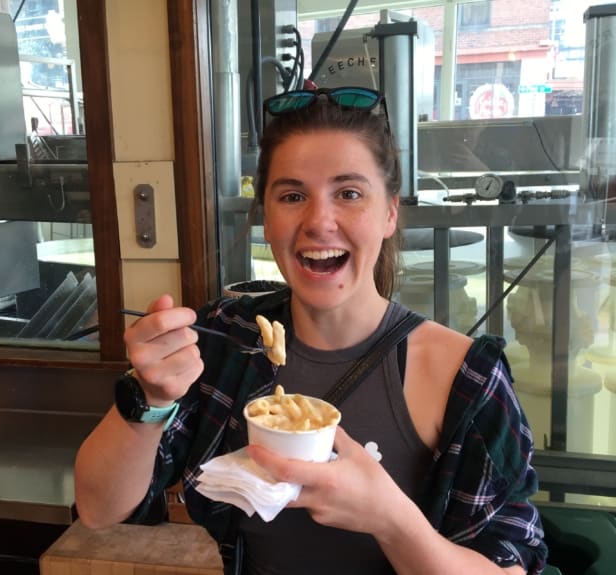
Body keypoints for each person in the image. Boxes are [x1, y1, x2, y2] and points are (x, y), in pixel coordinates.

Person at [74, 87, 548, 575]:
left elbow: (510, 564)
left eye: (349, 193)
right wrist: (146, 399)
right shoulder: (228, 341)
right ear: (266, 215)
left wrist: (391, 520)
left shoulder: (466, 378)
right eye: (293, 195)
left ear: (389, 212)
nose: (319, 222)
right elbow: (98, 509)